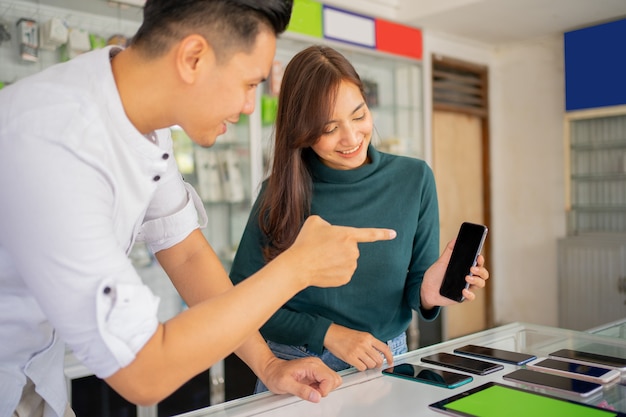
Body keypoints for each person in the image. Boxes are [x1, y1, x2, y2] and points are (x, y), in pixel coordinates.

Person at [0, 2, 398, 416]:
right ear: (193, 58)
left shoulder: (142, 125)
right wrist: (297, 268)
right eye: (248, 84)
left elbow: (186, 251)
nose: (250, 106)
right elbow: (144, 373)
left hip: (36, 382)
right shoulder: (54, 145)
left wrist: (269, 363)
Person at [229, 45, 490, 392]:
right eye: (329, 127)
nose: (351, 138)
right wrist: (327, 334)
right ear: (301, 130)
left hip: (385, 360)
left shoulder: (414, 179)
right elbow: (241, 303)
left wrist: (429, 290)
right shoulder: (279, 194)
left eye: (358, 115)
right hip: (297, 367)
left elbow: (415, 288)